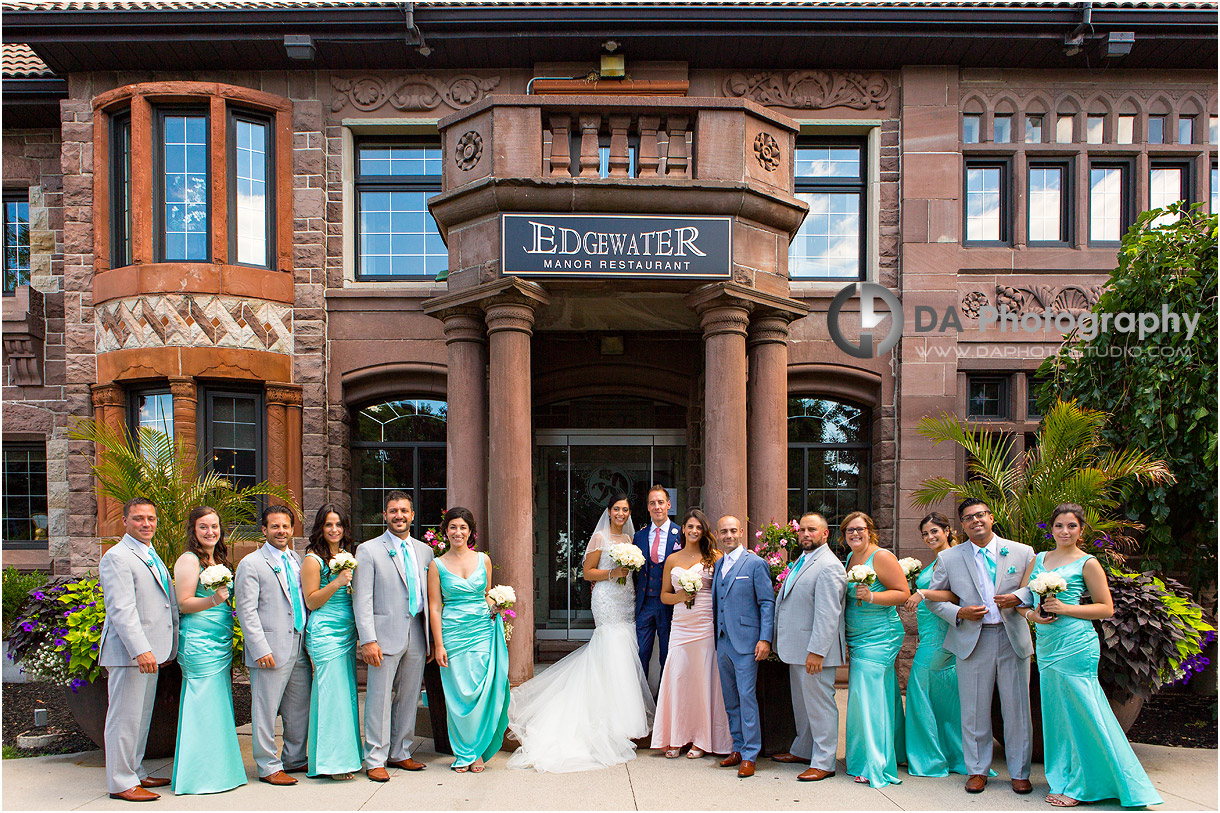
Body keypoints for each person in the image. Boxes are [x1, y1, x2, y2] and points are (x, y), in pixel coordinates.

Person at [1019, 504, 1162, 808]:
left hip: (1076, 645)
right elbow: (1022, 600)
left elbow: (1105, 608)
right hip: (1046, 646)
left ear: (1081, 530)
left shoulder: (1088, 563)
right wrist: (1033, 614)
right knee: (1058, 714)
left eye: (1071, 526)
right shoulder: (1039, 560)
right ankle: (1065, 775)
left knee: (1083, 712)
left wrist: (1066, 609)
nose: (1065, 531)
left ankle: (1084, 784)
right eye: (1059, 525)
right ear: (1051, 529)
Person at [507, 494, 655, 773]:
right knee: (611, 646)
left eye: (625, 510)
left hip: (627, 599)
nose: (621, 514)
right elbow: (587, 573)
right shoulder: (599, 538)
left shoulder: (630, 541)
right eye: (616, 509)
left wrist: (627, 572)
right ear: (609, 512)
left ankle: (622, 720)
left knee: (625, 650)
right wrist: (613, 574)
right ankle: (605, 719)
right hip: (607, 599)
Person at [925, 497, 1036, 795]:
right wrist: (958, 612)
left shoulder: (1022, 552)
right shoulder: (949, 558)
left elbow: (1034, 588)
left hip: (1012, 636)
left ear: (991, 516)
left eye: (981, 515)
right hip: (973, 639)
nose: (976, 521)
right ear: (962, 524)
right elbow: (933, 598)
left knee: (1017, 709)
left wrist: (1020, 598)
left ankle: (1020, 772)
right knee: (973, 710)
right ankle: (977, 770)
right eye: (969, 518)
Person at [98, 497, 179, 802]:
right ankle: (120, 782)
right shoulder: (117, 557)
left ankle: (135, 771)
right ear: (125, 521)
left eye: (151, 519)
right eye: (138, 519)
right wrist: (140, 649)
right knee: (124, 717)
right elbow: (121, 609)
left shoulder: (150, 554)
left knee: (141, 715)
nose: (146, 524)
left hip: (152, 652)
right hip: (130, 653)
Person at [352, 490, 433, 781]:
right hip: (383, 636)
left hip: (416, 632)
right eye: (393, 511)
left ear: (412, 515)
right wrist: (368, 639)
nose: (399, 515)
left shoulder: (425, 551)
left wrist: (432, 638)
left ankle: (401, 752)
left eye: (404, 510)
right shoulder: (369, 550)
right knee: (378, 697)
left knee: (410, 696)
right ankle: (375, 758)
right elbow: (361, 599)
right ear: (384, 515)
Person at [427, 506, 510, 773]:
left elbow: (486, 594)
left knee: (481, 692)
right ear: (446, 531)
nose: (458, 532)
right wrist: (438, 644)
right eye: (453, 527)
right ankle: (463, 752)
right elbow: (435, 606)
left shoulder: (483, 560)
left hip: (481, 631)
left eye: (463, 527)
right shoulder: (436, 565)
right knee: (459, 695)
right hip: (452, 634)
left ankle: (478, 752)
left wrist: (497, 605)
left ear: (470, 531)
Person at [234, 504, 313, 786]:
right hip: (270, 648)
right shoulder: (251, 563)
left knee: (298, 707)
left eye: (286, 526)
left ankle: (295, 758)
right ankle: (268, 766)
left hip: (300, 643)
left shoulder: (298, 559)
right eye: (275, 526)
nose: (281, 531)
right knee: (265, 710)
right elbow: (246, 610)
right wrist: (260, 648)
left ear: (293, 529)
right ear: (264, 529)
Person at [170, 506, 246, 795]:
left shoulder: (218, 559)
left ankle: (221, 771)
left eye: (214, 526)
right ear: (194, 529)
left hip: (220, 640)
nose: (210, 532)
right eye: (204, 527)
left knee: (217, 704)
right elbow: (184, 603)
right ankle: (198, 777)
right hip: (200, 643)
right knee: (202, 705)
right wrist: (214, 600)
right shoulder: (189, 560)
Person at [770, 511, 847, 782]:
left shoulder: (829, 565)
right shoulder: (804, 559)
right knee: (803, 705)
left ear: (825, 534)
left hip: (814, 652)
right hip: (797, 648)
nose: (805, 534)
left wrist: (817, 651)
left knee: (820, 705)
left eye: (811, 530)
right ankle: (804, 750)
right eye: (802, 529)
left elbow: (829, 614)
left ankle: (824, 762)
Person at [650, 508, 732, 760]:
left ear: (703, 530)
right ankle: (675, 737)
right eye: (690, 526)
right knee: (679, 678)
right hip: (681, 626)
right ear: (682, 529)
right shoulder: (673, 559)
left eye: (699, 527)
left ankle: (700, 739)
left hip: (705, 625)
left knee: (702, 680)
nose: (694, 531)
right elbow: (664, 595)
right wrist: (681, 597)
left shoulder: (714, 557)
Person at [902, 512, 973, 778]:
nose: (930, 537)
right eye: (925, 534)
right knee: (943, 697)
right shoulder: (938, 560)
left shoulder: (954, 558)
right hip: (930, 634)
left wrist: (922, 593)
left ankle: (928, 759)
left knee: (920, 690)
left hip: (941, 636)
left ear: (947, 530)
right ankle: (951, 754)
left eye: (934, 531)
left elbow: (956, 595)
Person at [842, 510, 909, 788]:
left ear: (870, 530)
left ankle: (875, 764)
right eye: (849, 531)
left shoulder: (881, 557)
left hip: (880, 635)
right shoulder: (850, 558)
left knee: (867, 698)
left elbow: (903, 593)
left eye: (859, 529)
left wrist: (871, 595)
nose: (854, 534)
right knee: (884, 694)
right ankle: (897, 749)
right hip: (857, 637)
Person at [301, 505, 364, 780]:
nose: (334, 529)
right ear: (320, 528)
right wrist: (338, 581)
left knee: (346, 696)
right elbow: (311, 600)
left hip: (346, 631)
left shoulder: (347, 556)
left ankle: (346, 756)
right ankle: (331, 762)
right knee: (331, 696)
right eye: (328, 524)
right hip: (326, 632)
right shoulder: (313, 560)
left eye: (338, 524)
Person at [712, 513, 774, 778]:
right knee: (730, 699)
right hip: (723, 641)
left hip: (748, 643)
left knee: (747, 697)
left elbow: (767, 603)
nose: (728, 536)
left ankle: (750, 754)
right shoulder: (718, 565)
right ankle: (737, 747)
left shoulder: (755, 563)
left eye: (733, 531)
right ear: (717, 535)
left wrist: (765, 638)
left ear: (740, 533)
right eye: (723, 531)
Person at [632, 485, 683, 677]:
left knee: (667, 654)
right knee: (641, 653)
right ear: (647, 507)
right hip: (645, 604)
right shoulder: (639, 536)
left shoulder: (681, 534)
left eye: (661, 502)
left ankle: (663, 701)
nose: (657, 507)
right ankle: (641, 700)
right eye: (652, 503)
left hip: (669, 605)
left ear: (668, 504)